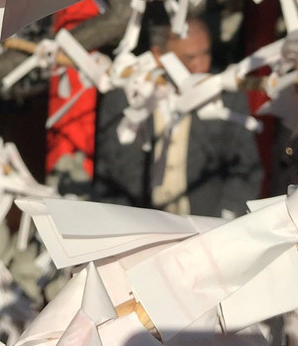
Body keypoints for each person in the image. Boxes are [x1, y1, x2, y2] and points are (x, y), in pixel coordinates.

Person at [93, 16, 263, 218]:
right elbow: (108, 171)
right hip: (139, 220)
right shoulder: (126, 96)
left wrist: (223, 223)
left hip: (206, 223)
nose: (201, 66)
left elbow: (246, 167)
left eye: (206, 54)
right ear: (158, 55)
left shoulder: (227, 97)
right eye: (189, 59)